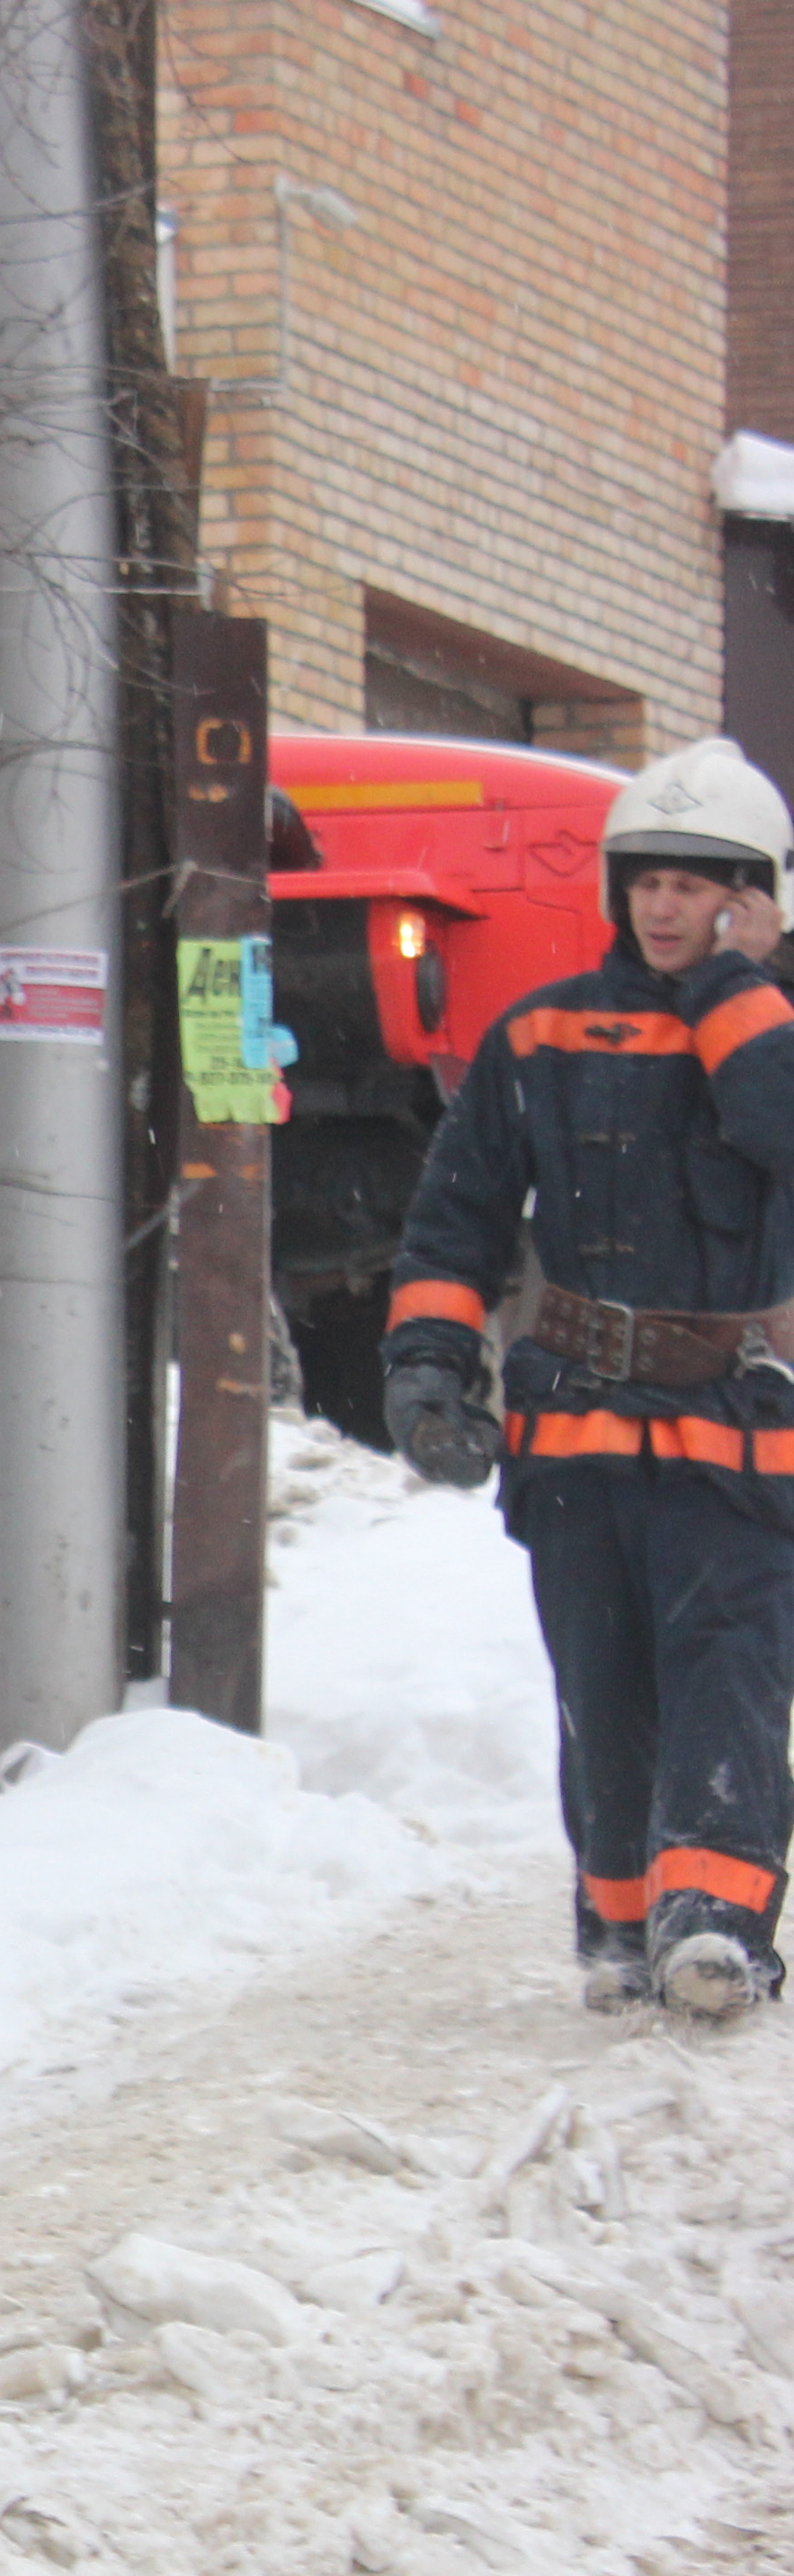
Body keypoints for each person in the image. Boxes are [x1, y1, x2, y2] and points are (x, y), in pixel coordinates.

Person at [381, 735, 794, 2024]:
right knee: (603, 1690)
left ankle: (716, 1925)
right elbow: (456, 1220)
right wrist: (432, 1364)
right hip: (578, 1430)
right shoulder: (539, 1032)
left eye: (701, 883)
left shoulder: (772, 1031)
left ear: (754, 893)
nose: (667, 906)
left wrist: (735, 986)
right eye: (649, 881)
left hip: (734, 1433)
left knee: (727, 1671)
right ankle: (624, 1930)